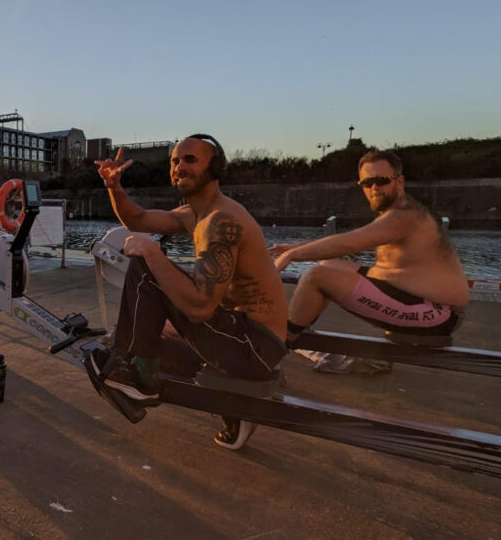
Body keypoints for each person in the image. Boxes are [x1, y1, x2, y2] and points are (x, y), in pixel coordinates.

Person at [85, 135, 288, 450]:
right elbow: (136, 219)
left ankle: (141, 380)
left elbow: (200, 309)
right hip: (244, 335)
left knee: (146, 268)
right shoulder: (195, 213)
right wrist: (115, 187)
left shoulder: (221, 221)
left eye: (190, 159)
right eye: (175, 161)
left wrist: (153, 253)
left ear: (215, 167)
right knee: (155, 336)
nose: (179, 166)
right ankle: (234, 410)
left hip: (253, 347)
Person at [270, 150, 467, 365]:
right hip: (414, 300)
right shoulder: (397, 214)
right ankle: (300, 324)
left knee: (317, 276)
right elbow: (349, 238)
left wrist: (291, 255)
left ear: (399, 182)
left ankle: (278, 343)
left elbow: (351, 242)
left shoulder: (405, 215)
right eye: (367, 183)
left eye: (381, 181)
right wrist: (293, 246)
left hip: (437, 313)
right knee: (328, 265)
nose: (374, 188)